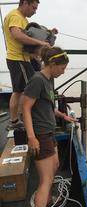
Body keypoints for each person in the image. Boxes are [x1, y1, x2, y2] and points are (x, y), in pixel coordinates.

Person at [22, 46, 76, 207]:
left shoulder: (49, 79)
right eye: (62, 68)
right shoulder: (37, 80)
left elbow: (48, 105)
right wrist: (31, 137)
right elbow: (25, 108)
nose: (63, 72)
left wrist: (63, 116)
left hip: (49, 132)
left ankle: (48, 200)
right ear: (52, 64)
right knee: (46, 180)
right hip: (40, 135)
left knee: (54, 166)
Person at [3, 0, 53, 130]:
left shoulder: (23, 19)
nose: (35, 11)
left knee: (19, 90)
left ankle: (15, 120)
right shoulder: (16, 16)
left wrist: (49, 33)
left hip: (23, 59)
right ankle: (22, 120)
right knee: (28, 90)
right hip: (18, 59)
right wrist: (41, 44)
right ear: (25, 3)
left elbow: (29, 39)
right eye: (34, 8)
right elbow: (17, 35)